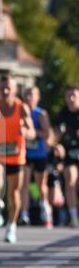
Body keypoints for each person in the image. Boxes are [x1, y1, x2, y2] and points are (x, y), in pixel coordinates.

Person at [0, 74, 35, 244]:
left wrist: (25, 132)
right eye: (2, 88)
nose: (5, 91)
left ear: (15, 90)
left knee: (14, 193)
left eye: (8, 88)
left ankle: (11, 226)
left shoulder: (22, 108)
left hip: (16, 156)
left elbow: (32, 132)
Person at [21, 85, 52, 228]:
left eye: (32, 95)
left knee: (41, 185)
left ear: (37, 97)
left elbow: (47, 134)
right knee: (24, 184)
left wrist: (32, 133)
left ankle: (46, 210)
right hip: (25, 153)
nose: (29, 98)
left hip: (39, 153)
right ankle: (24, 214)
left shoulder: (41, 114)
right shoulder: (20, 112)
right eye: (26, 94)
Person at [55, 84, 79, 228]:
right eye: (68, 96)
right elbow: (53, 138)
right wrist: (57, 141)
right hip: (69, 155)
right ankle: (73, 216)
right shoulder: (61, 115)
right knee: (70, 180)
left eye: (74, 96)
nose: (70, 99)